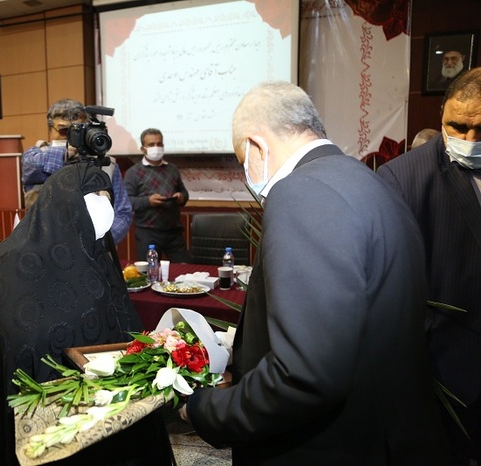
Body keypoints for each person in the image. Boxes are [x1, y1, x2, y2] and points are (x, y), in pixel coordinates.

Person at [179, 81, 448, 464]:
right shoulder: (370, 182)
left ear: (257, 146)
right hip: (383, 432)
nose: (247, 173)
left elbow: (305, 374)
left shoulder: (301, 193)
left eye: (243, 160)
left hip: (326, 446)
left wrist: (206, 410)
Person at [0, 161, 174, 465]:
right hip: (43, 410)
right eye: (95, 195)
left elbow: (119, 320)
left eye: (108, 196)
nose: (105, 205)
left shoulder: (95, 252)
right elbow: (18, 342)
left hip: (104, 409)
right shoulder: (12, 260)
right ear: (65, 201)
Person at [378, 67, 481, 465]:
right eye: (458, 126)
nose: (469, 140)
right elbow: (390, 289)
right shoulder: (403, 178)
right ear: (441, 116)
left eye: (480, 129)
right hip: (444, 375)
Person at [20, 98, 132, 244]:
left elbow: (123, 212)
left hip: (95, 248)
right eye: (65, 130)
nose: (70, 137)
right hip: (47, 247)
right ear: (50, 130)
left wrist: (101, 242)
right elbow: (31, 166)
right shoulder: (36, 155)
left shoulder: (106, 164)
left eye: (78, 130)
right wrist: (66, 153)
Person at [124, 128, 190, 262]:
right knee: (149, 271)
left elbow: (184, 193)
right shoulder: (133, 172)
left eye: (159, 144)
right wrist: (148, 201)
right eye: (151, 144)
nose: (156, 147)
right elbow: (127, 202)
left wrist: (181, 197)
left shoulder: (172, 169)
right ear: (143, 149)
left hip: (174, 232)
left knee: (184, 269)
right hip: (147, 233)